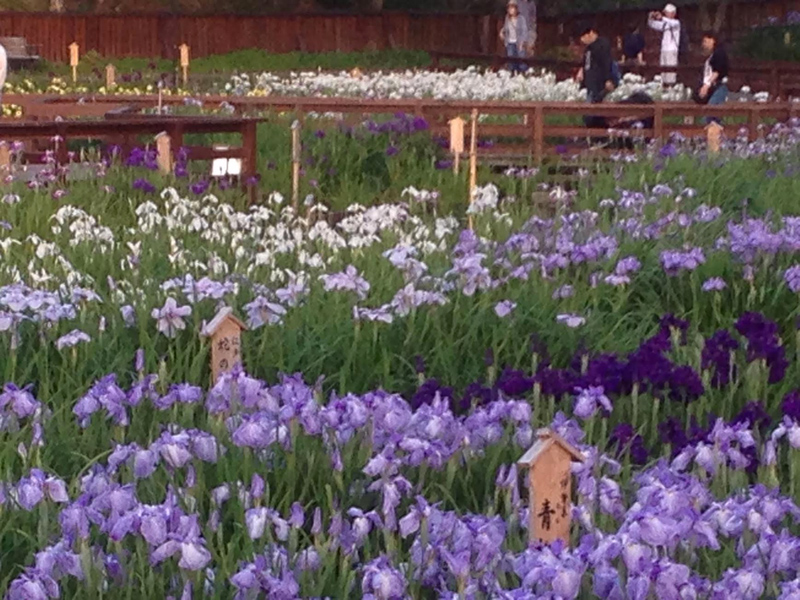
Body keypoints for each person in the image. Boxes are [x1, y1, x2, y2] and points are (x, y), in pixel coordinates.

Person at [575, 22, 615, 137]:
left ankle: (598, 136)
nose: (582, 41)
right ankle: (593, 136)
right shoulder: (589, 48)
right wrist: (581, 72)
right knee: (589, 113)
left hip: (599, 84)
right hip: (590, 84)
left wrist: (608, 79)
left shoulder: (602, 45)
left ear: (590, 33)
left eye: (583, 37)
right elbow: (586, 64)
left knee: (593, 113)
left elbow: (607, 63)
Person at [694, 31, 729, 123]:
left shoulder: (719, 53)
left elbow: (717, 71)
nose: (704, 45)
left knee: (710, 114)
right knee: (713, 115)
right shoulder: (713, 55)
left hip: (718, 87)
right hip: (714, 88)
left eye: (705, 41)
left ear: (712, 40)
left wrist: (706, 85)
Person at [648, 4, 681, 85]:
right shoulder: (665, 24)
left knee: (671, 71)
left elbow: (670, 22)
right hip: (664, 50)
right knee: (663, 70)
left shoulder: (676, 23)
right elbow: (652, 24)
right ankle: (664, 85)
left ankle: (671, 86)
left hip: (672, 50)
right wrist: (650, 17)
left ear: (673, 13)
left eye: (667, 12)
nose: (665, 14)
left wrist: (661, 17)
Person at [499, 0, 529, 74]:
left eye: (512, 8)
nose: (510, 10)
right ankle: (512, 73)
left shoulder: (521, 18)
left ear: (516, 9)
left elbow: (524, 31)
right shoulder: (507, 18)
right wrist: (502, 32)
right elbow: (506, 27)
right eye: (509, 8)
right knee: (511, 60)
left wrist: (522, 42)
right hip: (510, 42)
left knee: (521, 59)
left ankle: (522, 73)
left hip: (519, 42)